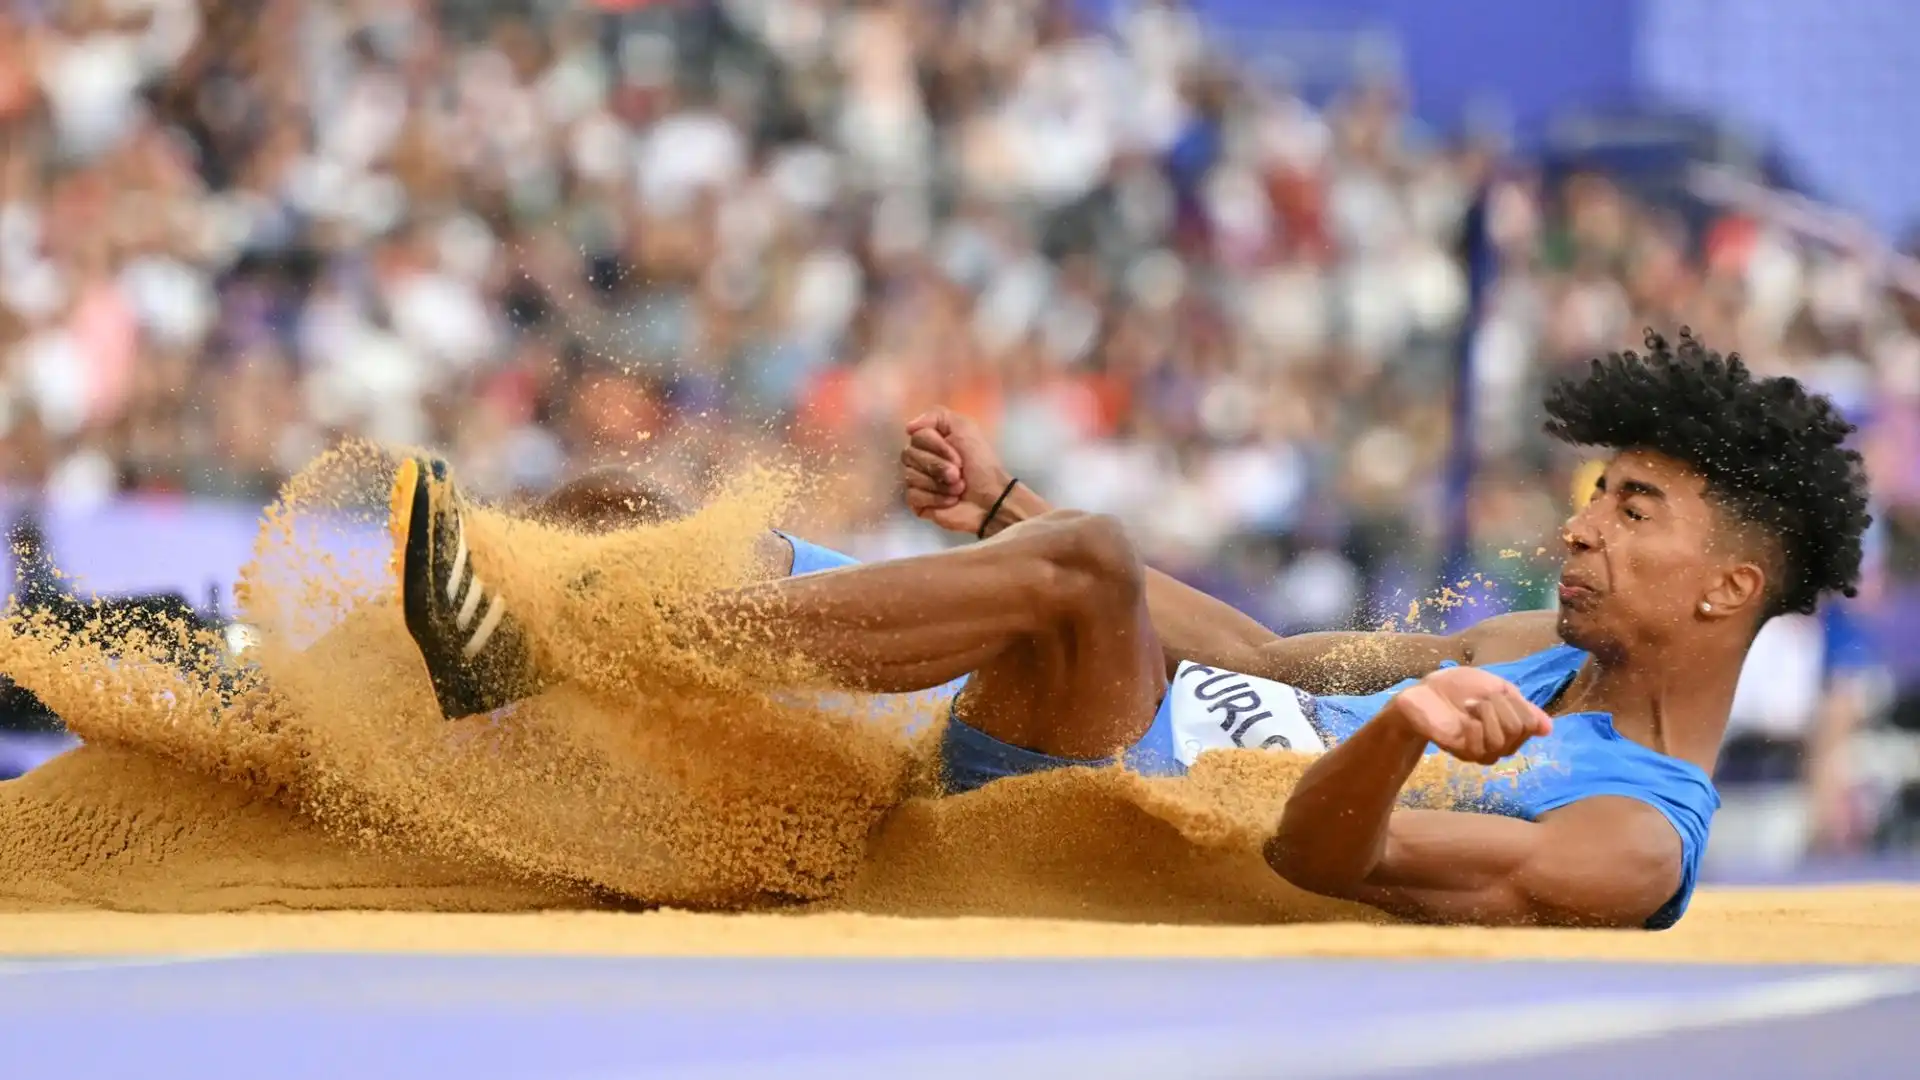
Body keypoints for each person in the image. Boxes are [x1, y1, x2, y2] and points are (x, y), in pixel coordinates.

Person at [389, 330, 1871, 930]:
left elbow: (1323, 855)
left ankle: (582, 656)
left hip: (1102, 805)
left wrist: (1396, 744)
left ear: (1726, 588)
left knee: (1086, 562)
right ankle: (329, 707)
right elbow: (1270, 664)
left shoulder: (1633, 835)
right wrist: (1008, 513)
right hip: (1067, 702)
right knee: (617, 510)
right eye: (1593, 495)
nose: (1581, 528)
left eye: (1632, 510)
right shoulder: (1524, 648)